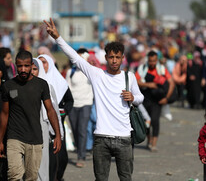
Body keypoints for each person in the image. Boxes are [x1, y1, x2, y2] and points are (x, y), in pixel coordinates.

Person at [43, 18, 144, 181]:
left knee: (126, 178)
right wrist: (57, 37)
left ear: (122, 58)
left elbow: (140, 98)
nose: (114, 60)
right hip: (102, 139)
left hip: (124, 138)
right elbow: (74, 57)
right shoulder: (97, 75)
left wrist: (133, 98)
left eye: (117, 57)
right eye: (111, 57)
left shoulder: (129, 77)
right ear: (106, 57)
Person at [0, 50, 61, 181]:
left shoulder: (41, 85)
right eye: (20, 66)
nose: (23, 69)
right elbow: (4, 114)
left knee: (31, 177)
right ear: (15, 65)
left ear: (31, 65)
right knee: (14, 175)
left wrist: (58, 135)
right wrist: (0, 140)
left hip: (35, 138)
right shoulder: (8, 86)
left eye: (26, 66)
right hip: (14, 137)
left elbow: (50, 110)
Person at [37, 54, 73, 181]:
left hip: (58, 123)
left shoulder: (60, 82)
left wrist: (64, 112)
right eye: (39, 62)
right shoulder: (35, 82)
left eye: (45, 62)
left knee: (62, 157)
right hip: (42, 125)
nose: (42, 65)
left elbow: (69, 100)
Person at [135, 50, 175, 152]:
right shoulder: (142, 68)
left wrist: (167, 98)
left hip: (157, 100)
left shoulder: (162, 69)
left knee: (155, 121)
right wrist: (148, 85)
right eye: (150, 61)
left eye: (154, 61)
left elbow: (171, 83)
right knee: (146, 122)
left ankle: (154, 144)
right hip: (145, 99)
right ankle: (149, 140)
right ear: (148, 60)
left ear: (157, 60)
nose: (152, 63)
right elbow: (135, 82)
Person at [32, 58, 64, 181]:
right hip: (25, 128)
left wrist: (58, 134)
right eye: (31, 68)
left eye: (35, 69)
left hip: (43, 128)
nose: (32, 72)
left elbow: (54, 111)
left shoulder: (48, 88)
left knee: (42, 163)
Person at [65, 48, 93, 168]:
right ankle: (79, 149)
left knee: (82, 129)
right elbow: (67, 88)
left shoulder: (90, 71)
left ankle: (81, 156)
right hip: (73, 104)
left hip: (86, 103)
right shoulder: (70, 72)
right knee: (75, 130)